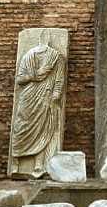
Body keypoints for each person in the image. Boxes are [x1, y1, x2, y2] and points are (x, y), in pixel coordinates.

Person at [8, 31, 66, 178]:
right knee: (21, 127)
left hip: (45, 96)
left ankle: (38, 166)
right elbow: (20, 79)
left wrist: (56, 94)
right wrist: (34, 75)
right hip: (28, 96)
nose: (45, 39)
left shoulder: (56, 57)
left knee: (43, 129)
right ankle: (15, 163)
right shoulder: (29, 55)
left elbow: (59, 79)